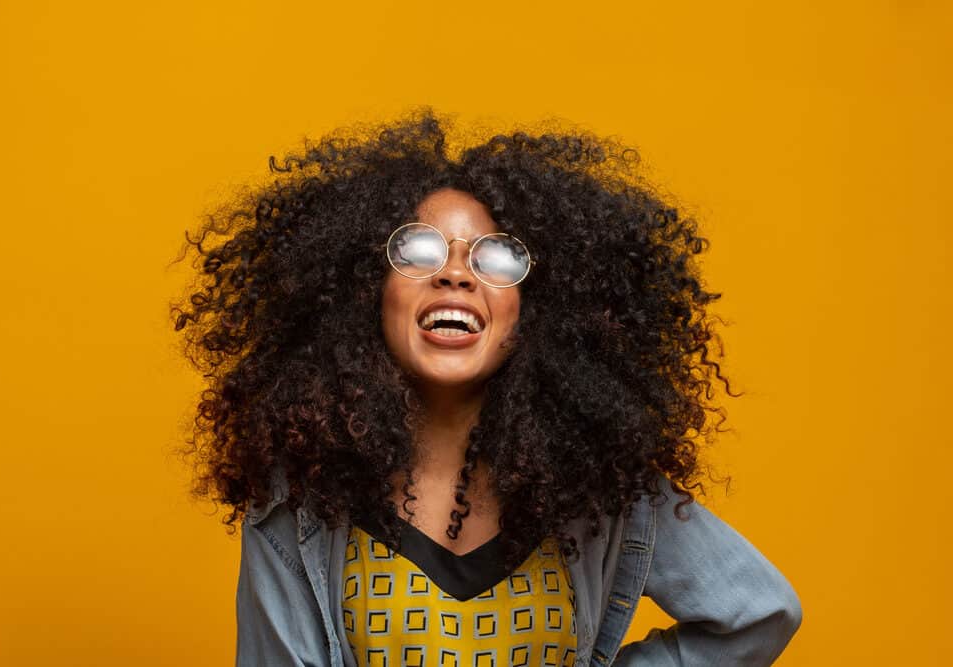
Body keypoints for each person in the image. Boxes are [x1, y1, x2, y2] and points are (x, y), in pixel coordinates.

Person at [171, 108, 802, 666]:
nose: (454, 276)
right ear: (364, 293)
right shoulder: (298, 499)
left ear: (539, 305)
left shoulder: (602, 484)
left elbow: (757, 613)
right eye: (417, 251)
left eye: (495, 259)